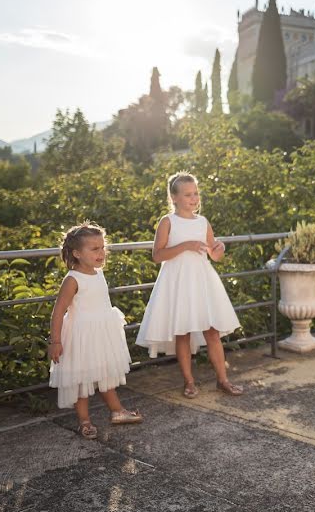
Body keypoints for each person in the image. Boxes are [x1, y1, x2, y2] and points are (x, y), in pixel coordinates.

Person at [136, 172, 244, 398]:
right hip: (178, 282)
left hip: (202, 281)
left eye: (196, 193)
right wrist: (185, 245)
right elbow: (157, 255)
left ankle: (222, 380)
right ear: (174, 197)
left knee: (212, 331)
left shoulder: (203, 222)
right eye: (188, 194)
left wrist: (219, 250)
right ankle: (189, 382)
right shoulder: (168, 222)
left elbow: (214, 255)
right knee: (182, 333)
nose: (194, 198)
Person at [48, 222, 142, 439]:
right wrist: (55, 341)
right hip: (81, 336)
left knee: (104, 373)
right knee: (82, 381)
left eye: (102, 247)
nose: (101, 253)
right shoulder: (73, 279)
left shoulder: (98, 273)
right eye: (94, 249)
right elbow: (58, 311)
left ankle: (117, 412)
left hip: (101, 333)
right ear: (77, 253)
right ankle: (84, 421)